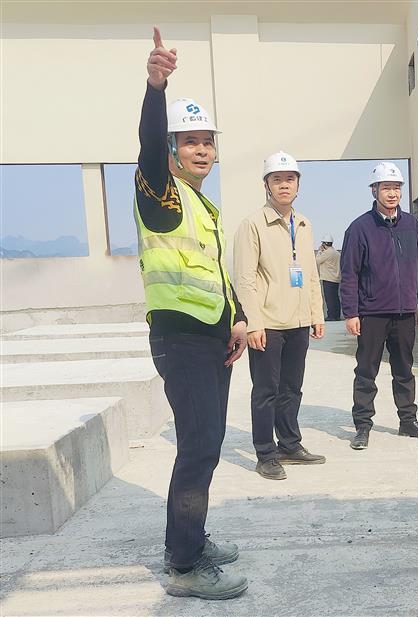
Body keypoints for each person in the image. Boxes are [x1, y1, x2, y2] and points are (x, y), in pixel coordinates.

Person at [135, 27, 247, 599]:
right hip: (181, 342)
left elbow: (216, 273)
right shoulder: (161, 194)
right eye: (189, 142)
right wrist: (156, 89)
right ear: (172, 150)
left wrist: (238, 318)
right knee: (198, 448)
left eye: (208, 142)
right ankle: (184, 565)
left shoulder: (202, 205)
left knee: (207, 445)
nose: (201, 150)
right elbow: (148, 148)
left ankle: (188, 540)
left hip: (211, 340)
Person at [233, 151, 326, 481]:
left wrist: (316, 313)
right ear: (267, 185)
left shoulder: (304, 224)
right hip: (268, 324)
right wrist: (253, 324)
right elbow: (244, 278)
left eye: (290, 179)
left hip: (298, 322)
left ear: (298, 185)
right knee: (265, 391)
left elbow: (310, 273)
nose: (284, 185)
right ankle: (265, 453)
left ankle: (289, 444)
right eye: (277, 179)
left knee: (292, 388)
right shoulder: (252, 225)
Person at [339, 162, 418, 450]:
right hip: (372, 313)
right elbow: (349, 273)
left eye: (396, 188)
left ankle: (408, 421)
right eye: (386, 188)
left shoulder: (412, 226)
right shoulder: (360, 228)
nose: (392, 193)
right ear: (374, 190)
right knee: (366, 370)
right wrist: (351, 312)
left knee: (404, 369)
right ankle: (362, 425)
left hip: (405, 312)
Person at [316, 234, 342, 321]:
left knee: (329, 298)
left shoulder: (327, 253)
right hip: (336, 279)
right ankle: (337, 315)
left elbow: (317, 261)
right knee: (335, 298)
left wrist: (320, 251)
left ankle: (331, 316)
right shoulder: (337, 253)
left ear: (324, 244)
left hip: (328, 278)